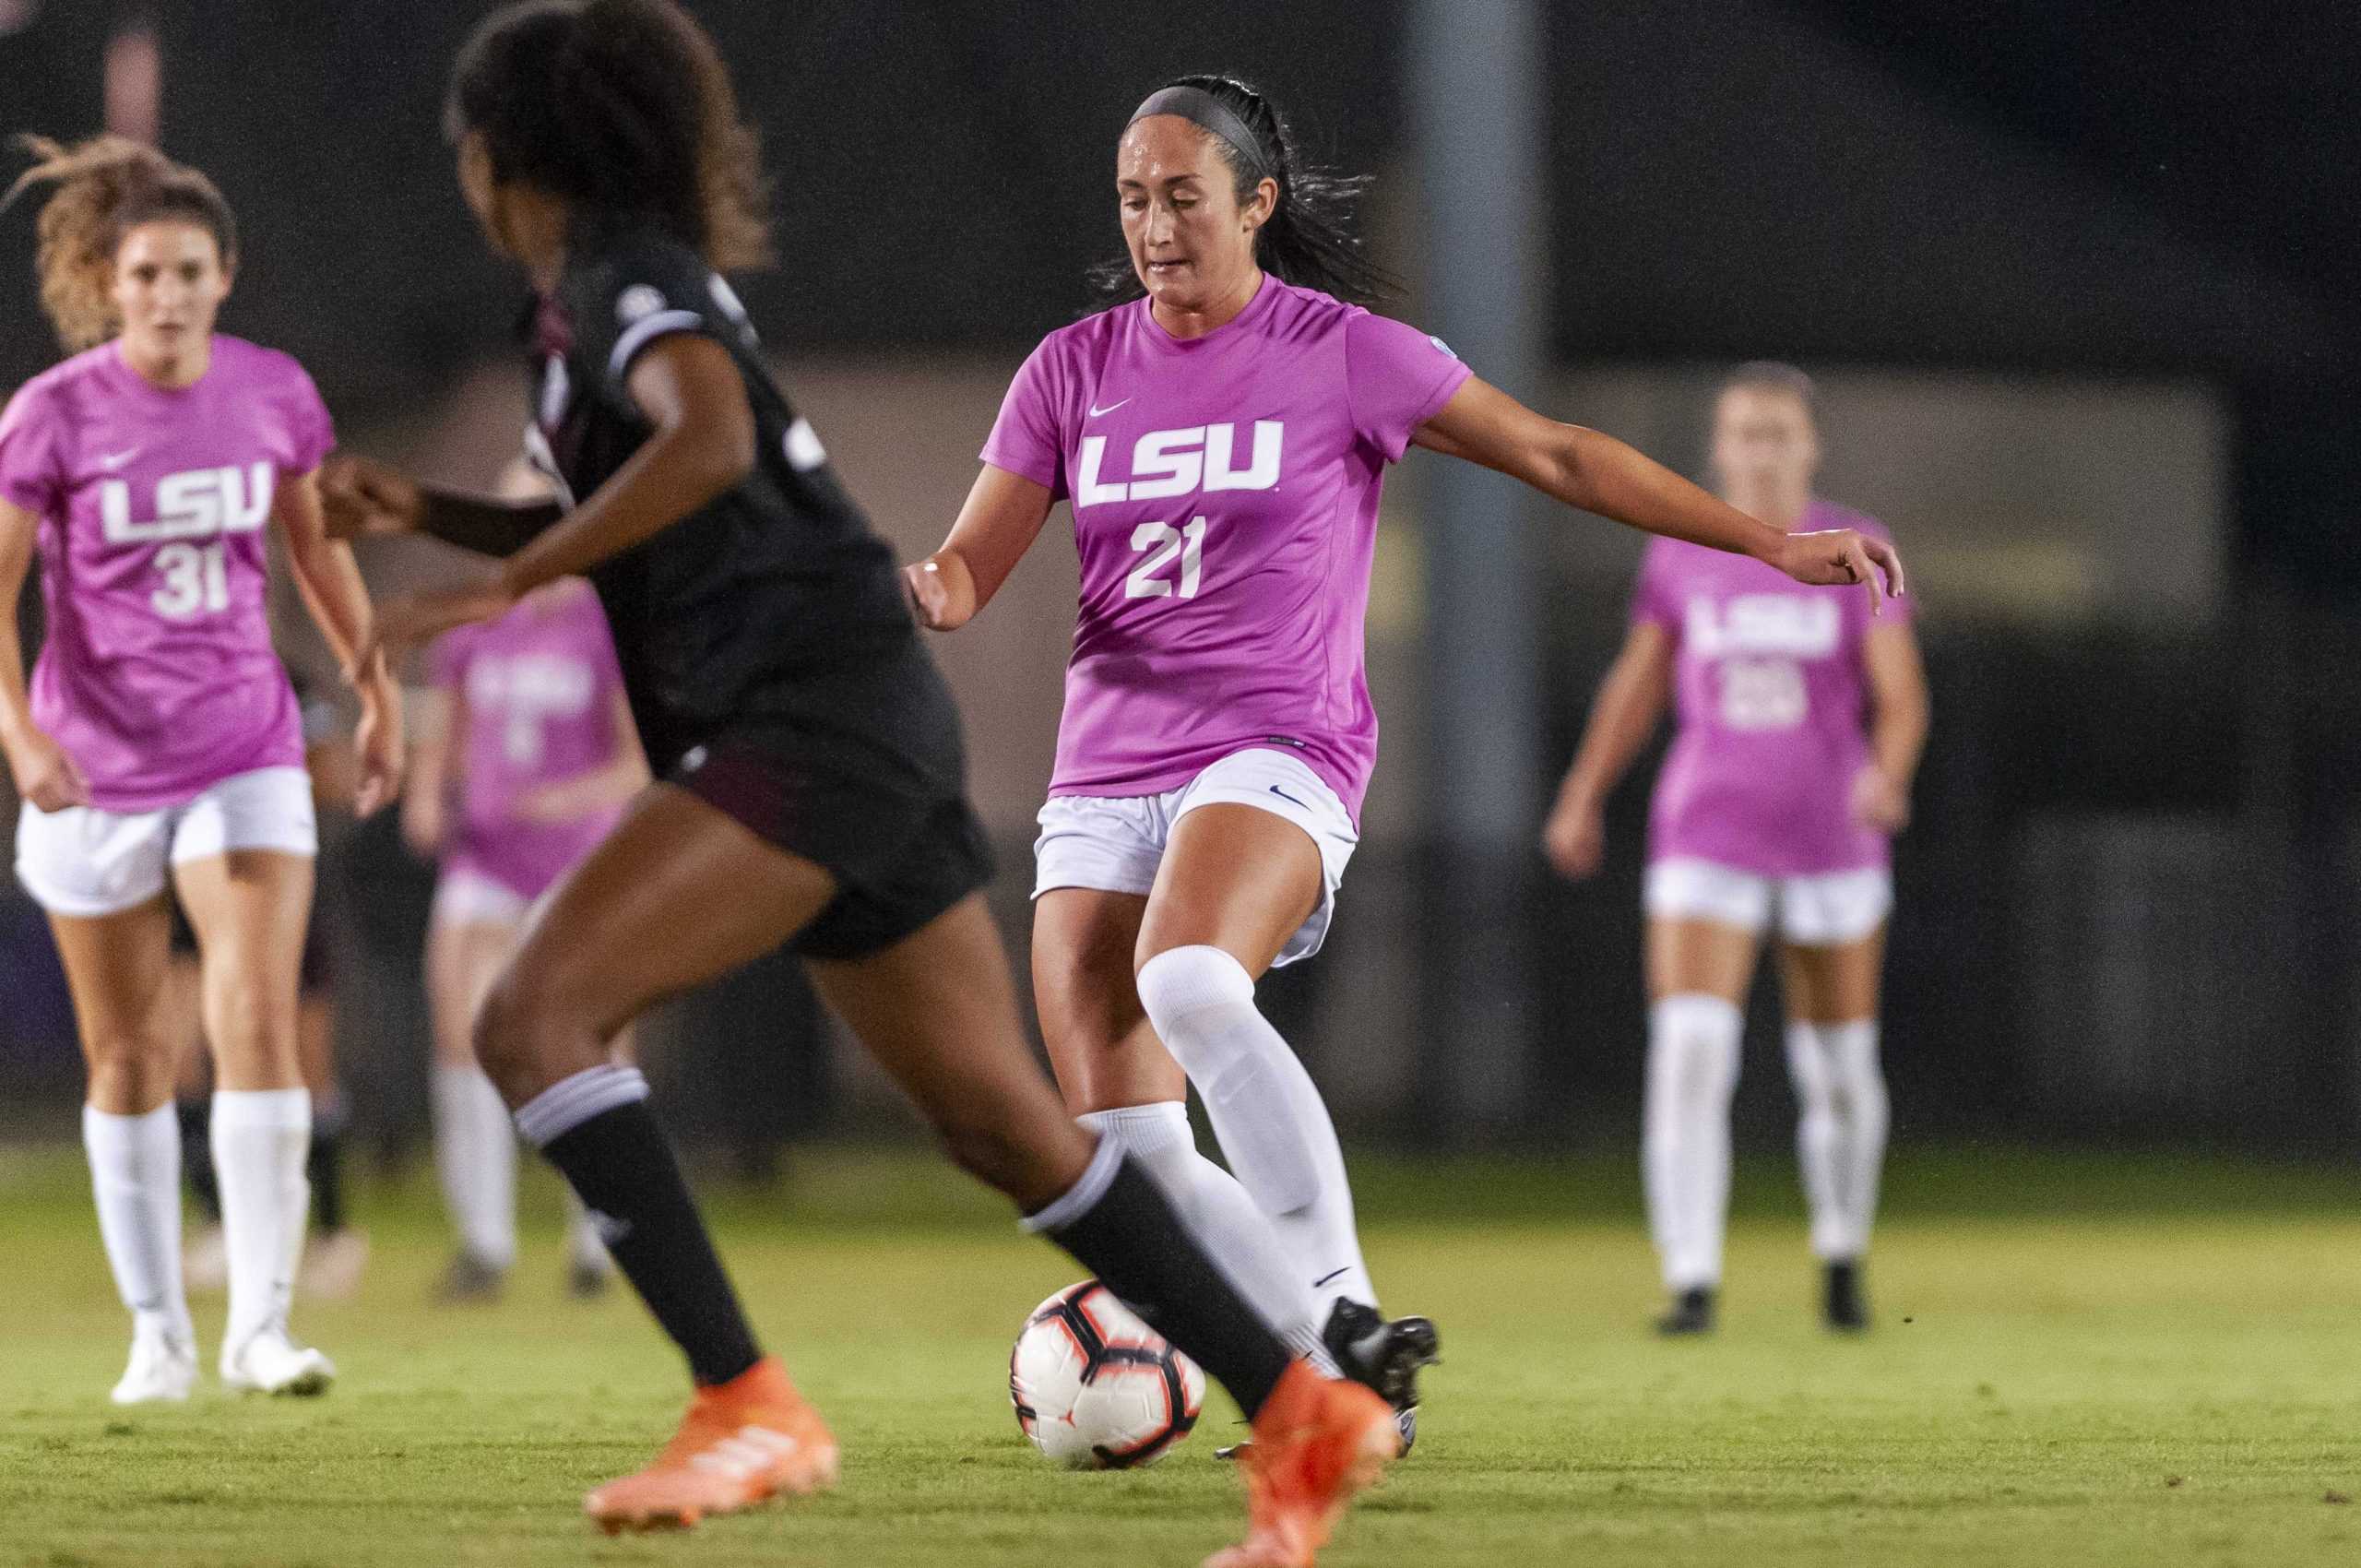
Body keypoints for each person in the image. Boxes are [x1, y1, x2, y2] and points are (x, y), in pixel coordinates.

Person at [323, 6, 1398, 1560]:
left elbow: (696, 444)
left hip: (803, 724)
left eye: (470, 153)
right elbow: (664, 490)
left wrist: (504, 586)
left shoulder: (627, 289)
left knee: (530, 1018)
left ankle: (744, 1402)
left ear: (507, 160)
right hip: (855, 721)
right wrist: (430, 510)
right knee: (1005, 1128)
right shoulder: (596, 308)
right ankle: (1306, 1417)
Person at [908, 77, 1904, 1439]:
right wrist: (923, 590)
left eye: (1183, 196)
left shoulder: (1344, 351)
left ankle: (1339, 1307)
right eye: (1135, 198)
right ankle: (1337, 1370)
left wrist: (1765, 543)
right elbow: (971, 567)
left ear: (1256, 203)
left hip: (1275, 744)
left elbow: (1554, 452)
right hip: (1100, 780)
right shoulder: (1070, 370)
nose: (1154, 225)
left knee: (1192, 978)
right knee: (1125, 1158)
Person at [0, 135, 401, 1403]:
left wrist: (374, 685)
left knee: (257, 1015)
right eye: (146, 274)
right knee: (128, 1054)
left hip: (245, 741)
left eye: (189, 270)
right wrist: (18, 733)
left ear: (225, 276)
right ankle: (159, 1336)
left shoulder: (273, 394)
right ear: (109, 285)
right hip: (96, 760)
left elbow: (316, 555)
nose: (167, 293)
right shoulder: (51, 414)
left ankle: (261, 1328)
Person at [1542, 362, 1929, 1335]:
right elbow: (1639, 682)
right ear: (1716, 446)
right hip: (1706, 827)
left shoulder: (1856, 546)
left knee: (1837, 1062)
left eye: (1776, 432)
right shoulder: (1684, 552)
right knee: (1690, 1049)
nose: (1758, 449)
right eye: (1742, 432)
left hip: (1828, 836)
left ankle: (1841, 1255)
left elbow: (1901, 690)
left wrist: (1887, 771)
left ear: (1810, 444)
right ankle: (1691, 1275)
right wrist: (1585, 791)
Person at [406, 573, 642, 1301]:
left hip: (576, 855)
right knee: (461, 1029)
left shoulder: (605, 628)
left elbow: (635, 762)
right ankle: (484, 1241)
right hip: (486, 855)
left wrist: (560, 802)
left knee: (586, 1039)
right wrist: (423, 794)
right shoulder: (471, 628)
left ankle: (602, 1236)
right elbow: (446, 737)